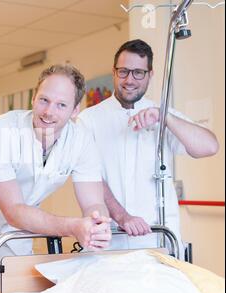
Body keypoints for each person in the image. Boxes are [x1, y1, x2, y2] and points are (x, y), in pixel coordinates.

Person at [0, 64, 112, 293]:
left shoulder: (81, 141)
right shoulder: (1, 132)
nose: (49, 111)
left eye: (61, 105)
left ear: (74, 111)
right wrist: (73, 227)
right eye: (44, 100)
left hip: (17, 226)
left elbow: (93, 202)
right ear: (33, 98)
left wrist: (97, 223)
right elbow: (13, 210)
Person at [78, 39, 219, 255]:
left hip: (160, 239)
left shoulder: (162, 114)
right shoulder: (89, 120)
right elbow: (92, 178)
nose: (129, 80)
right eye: (123, 71)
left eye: (138, 73)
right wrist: (123, 217)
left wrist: (164, 117)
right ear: (114, 72)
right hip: (111, 240)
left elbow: (209, 146)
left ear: (150, 75)